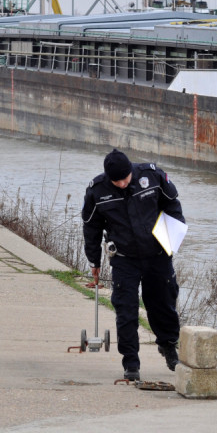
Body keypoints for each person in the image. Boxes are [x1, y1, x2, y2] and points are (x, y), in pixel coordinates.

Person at [82, 149, 185, 381]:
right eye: (116, 181)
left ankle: (168, 346)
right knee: (126, 310)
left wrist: (172, 239)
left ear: (131, 170)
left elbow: (173, 206)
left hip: (157, 254)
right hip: (124, 259)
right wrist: (93, 261)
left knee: (163, 303)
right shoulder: (97, 190)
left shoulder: (153, 176)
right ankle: (131, 363)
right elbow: (91, 227)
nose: (121, 184)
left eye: (125, 179)